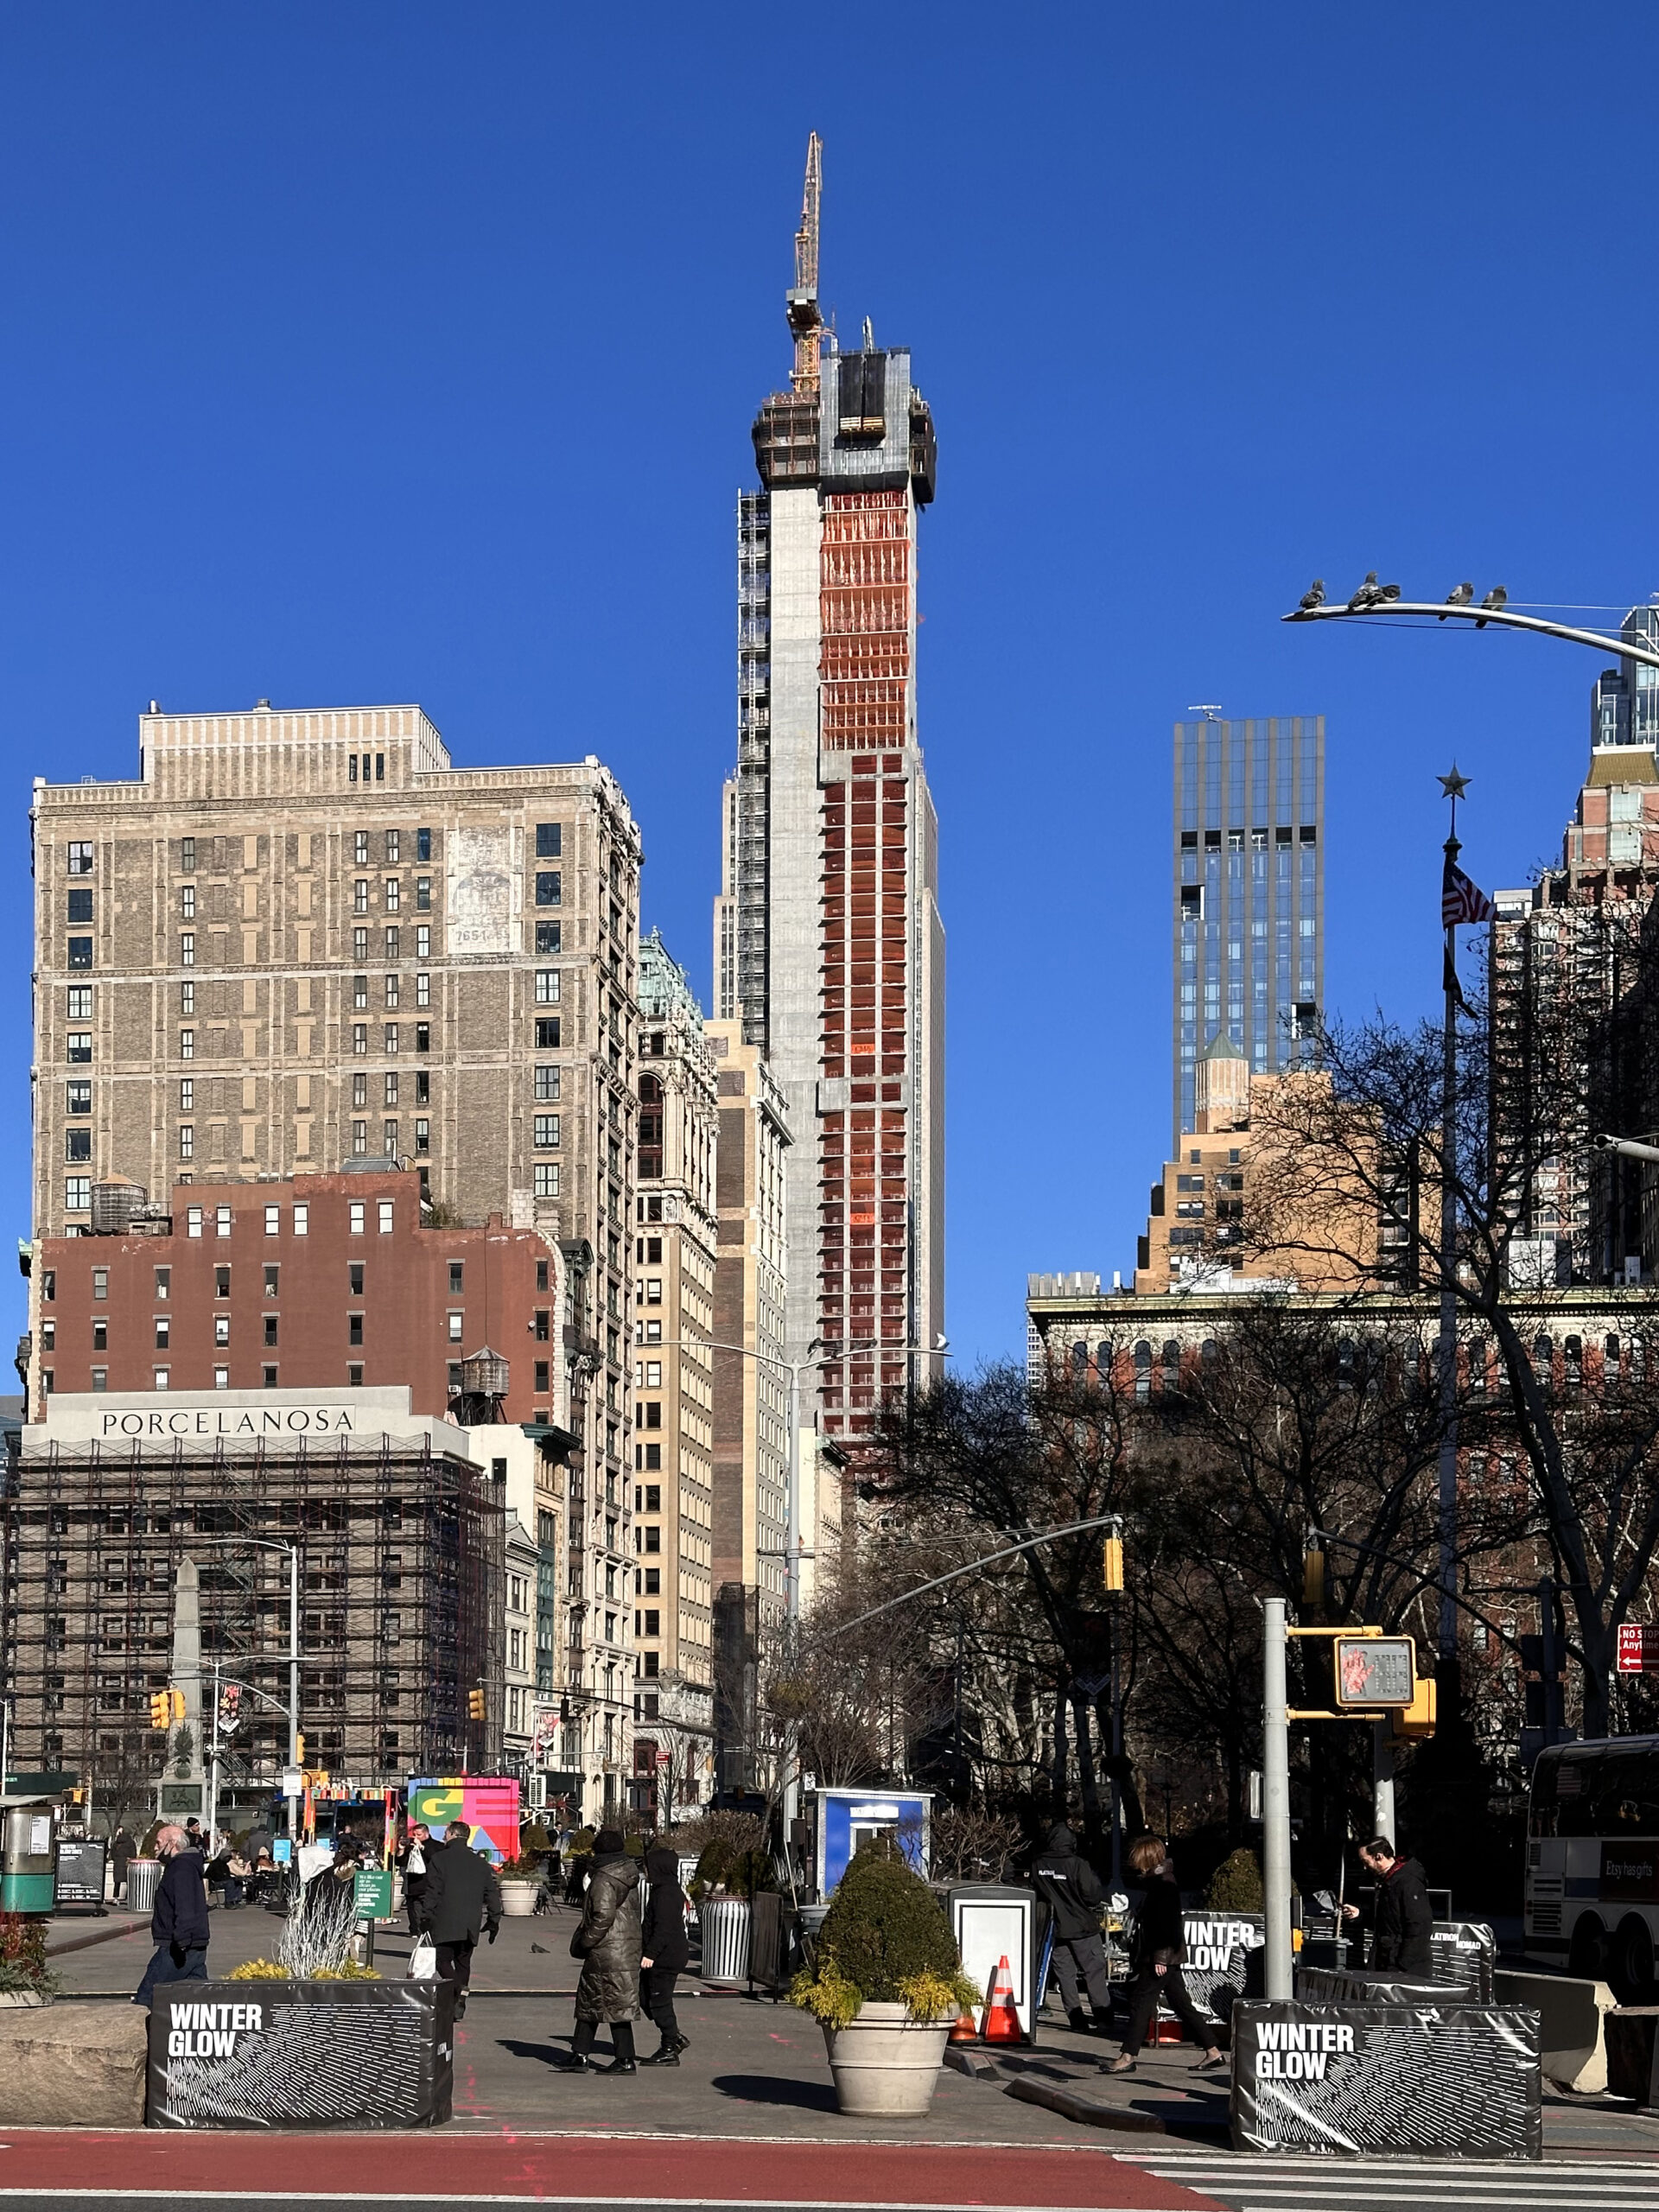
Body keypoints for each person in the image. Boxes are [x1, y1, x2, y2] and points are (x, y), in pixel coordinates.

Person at [1108, 1834, 1224, 2075]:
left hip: (1159, 1956)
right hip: (1164, 1955)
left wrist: (1160, 1957)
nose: (1134, 1863)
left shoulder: (1163, 1885)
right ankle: (1213, 2051)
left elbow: (1169, 1925)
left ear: (1146, 1858)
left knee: (1141, 2002)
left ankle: (1127, 2056)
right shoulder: (1161, 1883)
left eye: (1137, 1858)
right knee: (1181, 2004)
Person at [564, 1827, 642, 2075]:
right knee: (596, 2000)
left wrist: (586, 1941)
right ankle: (580, 2053)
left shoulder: (604, 1878)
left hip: (607, 1949)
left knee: (609, 2003)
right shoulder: (626, 1873)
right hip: (623, 1946)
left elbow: (602, 1915)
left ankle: (624, 2058)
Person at [1030, 1819, 1113, 2036]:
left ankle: (1076, 2019)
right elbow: (1092, 1895)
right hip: (1082, 1926)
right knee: (1093, 1971)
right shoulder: (1077, 1864)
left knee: (1064, 1974)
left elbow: (1036, 1891)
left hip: (1054, 1927)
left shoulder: (1039, 1864)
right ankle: (1102, 2018)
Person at [419, 1820, 502, 2021]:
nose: (443, 1836)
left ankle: (458, 1989)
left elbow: (433, 1890)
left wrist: (425, 1915)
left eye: (446, 1832)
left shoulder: (440, 1859)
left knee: (442, 1960)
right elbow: (492, 1893)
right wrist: (494, 1919)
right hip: (470, 1922)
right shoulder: (480, 1863)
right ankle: (459, 2002)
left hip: (445, 1919)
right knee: (463, 1961)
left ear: (453, 1834)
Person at [134, 1825, 211, 2005]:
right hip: (194, 1943)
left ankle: (137, 2032)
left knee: (148, 1996)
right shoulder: (185, 1866)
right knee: (197, 1998)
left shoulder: (181, 1868)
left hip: (179, 1945)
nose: (154, 1848)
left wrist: (182, 1940)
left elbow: (185, 1905)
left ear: (172, 1843)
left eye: (158, 1843)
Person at [1343, 1835, 1434, 1976]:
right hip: (1390, 1962)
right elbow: (1387, 1922)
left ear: (1378, 1857)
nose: (1364, 1867)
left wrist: (1401, 1965)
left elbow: (1419, 1927)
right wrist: (1360, 1915)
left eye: (1366, 1862)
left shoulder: (1408, 1882)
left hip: (1402, 1968)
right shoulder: (1390, 1882)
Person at [638, 1843, 690, 2065]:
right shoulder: (663, 1889)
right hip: (664, 1954)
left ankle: (670, 2044)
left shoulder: (667, 1893)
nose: (646, 1871)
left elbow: (664, 1928)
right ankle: (673, 2036)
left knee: (659, 2000)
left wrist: (650, 1954)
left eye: (648, 1867)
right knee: (645, 1996)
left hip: (665, 1957)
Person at [401, 1821, 433, 1936]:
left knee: (428, 1913)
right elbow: (401, 1863)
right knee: (415, 1912)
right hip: (414, 1886)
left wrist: (422, 1847)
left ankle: (428, 1933)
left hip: (428, 1885)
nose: (416, 1838)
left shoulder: (435, 1846)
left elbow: (434, 1858)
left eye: (418, 1835)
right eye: (414, 1835)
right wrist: (401, 1850)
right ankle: (418, 1932)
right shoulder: (410, 1847)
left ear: (426, 1834)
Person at [109, 1825, 134, 1906]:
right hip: (127, 1863)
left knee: (117, 1882)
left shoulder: (116, 1843)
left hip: (118, 1863)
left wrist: (116, 1859)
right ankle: (129, 1898)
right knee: (129, 1882)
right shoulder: (130, 1842)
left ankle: (116, 1898)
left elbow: (112, 1854)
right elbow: (133, 1853)